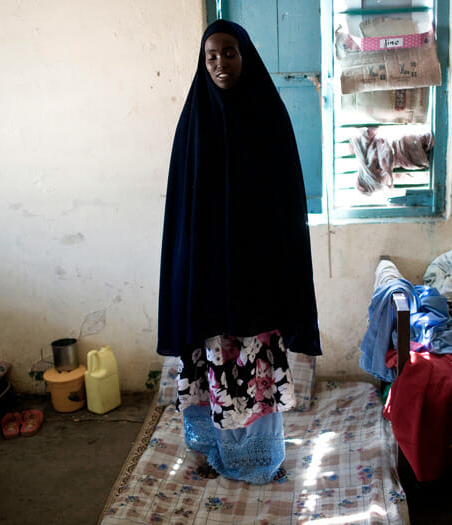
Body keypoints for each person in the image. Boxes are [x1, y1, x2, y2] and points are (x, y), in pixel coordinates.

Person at [157, 19, 321, 484]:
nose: (220, 63)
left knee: (251, 366)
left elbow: (285, 202)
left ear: (244, 55)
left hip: (254, 272)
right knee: (214, 359)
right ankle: (213, 450)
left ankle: (258, 459)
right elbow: (182, 213)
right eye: (211, 56)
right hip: (207, 273)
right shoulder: (193, 122)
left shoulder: (267, 116)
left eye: (229, 52)